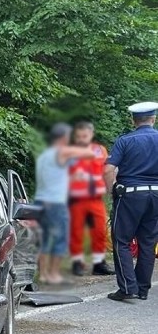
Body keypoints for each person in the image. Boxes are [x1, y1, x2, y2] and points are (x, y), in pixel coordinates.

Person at [103, 101, 158, 301]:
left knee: (121, 240)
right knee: (148, 242)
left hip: (131, 195)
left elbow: (108, 169)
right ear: (154, 119)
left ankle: (127, 287)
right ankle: (143, 289)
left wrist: (113, 190)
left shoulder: (125, 140)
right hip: (156, 196)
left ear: (133, 120)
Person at [34, 123, 97, 284]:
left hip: (40, 201)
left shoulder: (44, 156)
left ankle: (42, 274)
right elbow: (89, 153)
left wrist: (74, 178)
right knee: (60, 239)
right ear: (63, 138)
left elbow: (54, 179)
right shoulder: (61, 151)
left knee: (44, 238)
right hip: (55, 204)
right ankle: (53, 275)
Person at [68, 121, 115, 276]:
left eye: (85, 135)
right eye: (79, 136)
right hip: (77, 198)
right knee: (76, 232)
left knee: (99, 231)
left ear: (90, 135)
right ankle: (77, 263)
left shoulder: (100, 150)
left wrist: (111, 188)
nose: (82, 139)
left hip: (96, 198)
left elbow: (108, 170)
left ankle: (98, 263)